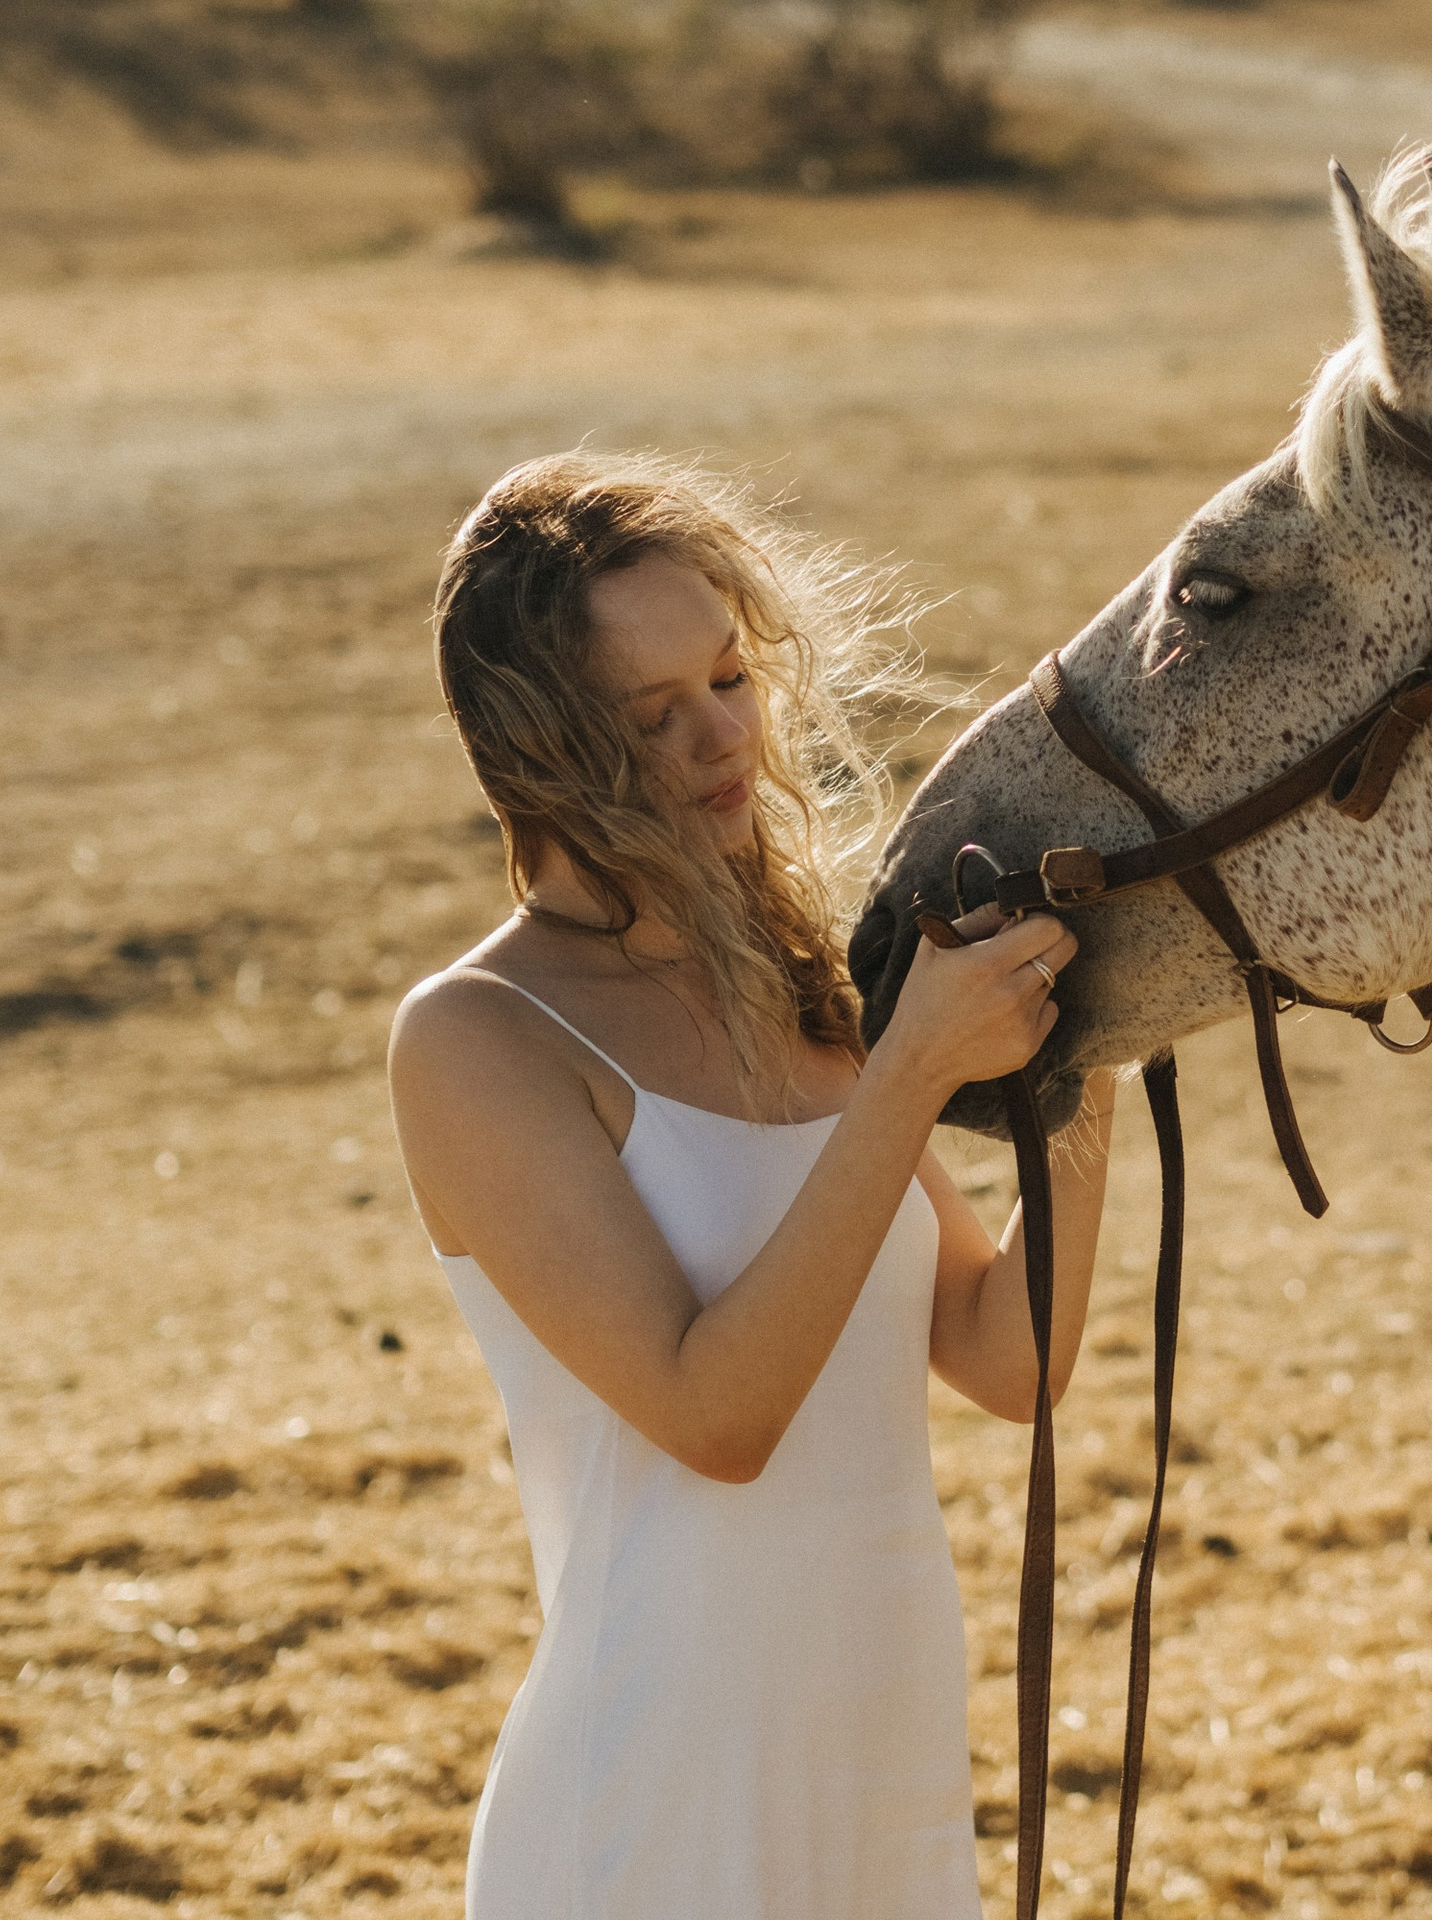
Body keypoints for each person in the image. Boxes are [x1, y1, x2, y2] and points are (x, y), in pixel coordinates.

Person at [385, 451, 1114, 1918]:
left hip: (882, 1753)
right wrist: (909, 1074)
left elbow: (1005, 1354)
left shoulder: (791, 975)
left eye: (729, 678)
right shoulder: (477, 1040)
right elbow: (718, 1417)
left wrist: (1092, 1050)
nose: (722, 738)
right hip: (656, 1799)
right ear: (538, 752)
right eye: (653, 714)